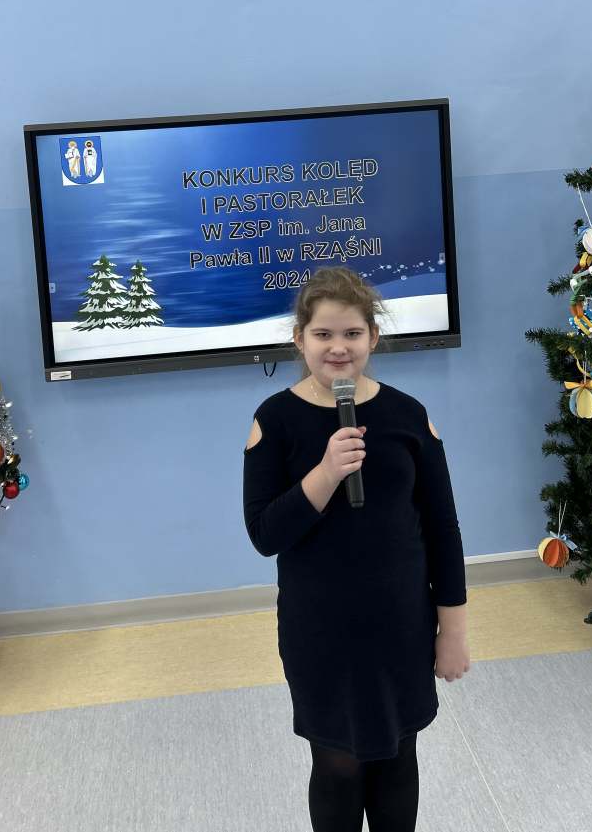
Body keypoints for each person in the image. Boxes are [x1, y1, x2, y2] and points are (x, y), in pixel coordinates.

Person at [243, 266, 469, 832]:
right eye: (323, 334)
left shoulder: (408, 416)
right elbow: (265, 535)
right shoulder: (274, 420)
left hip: (400, 624)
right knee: (337, 761)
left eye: (351, 333)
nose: (338, 348)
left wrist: (453, 632)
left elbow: (443, 530)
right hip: (321, 630)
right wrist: (325, 473)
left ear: (373, 336)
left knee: (397, 755)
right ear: (300, 339)